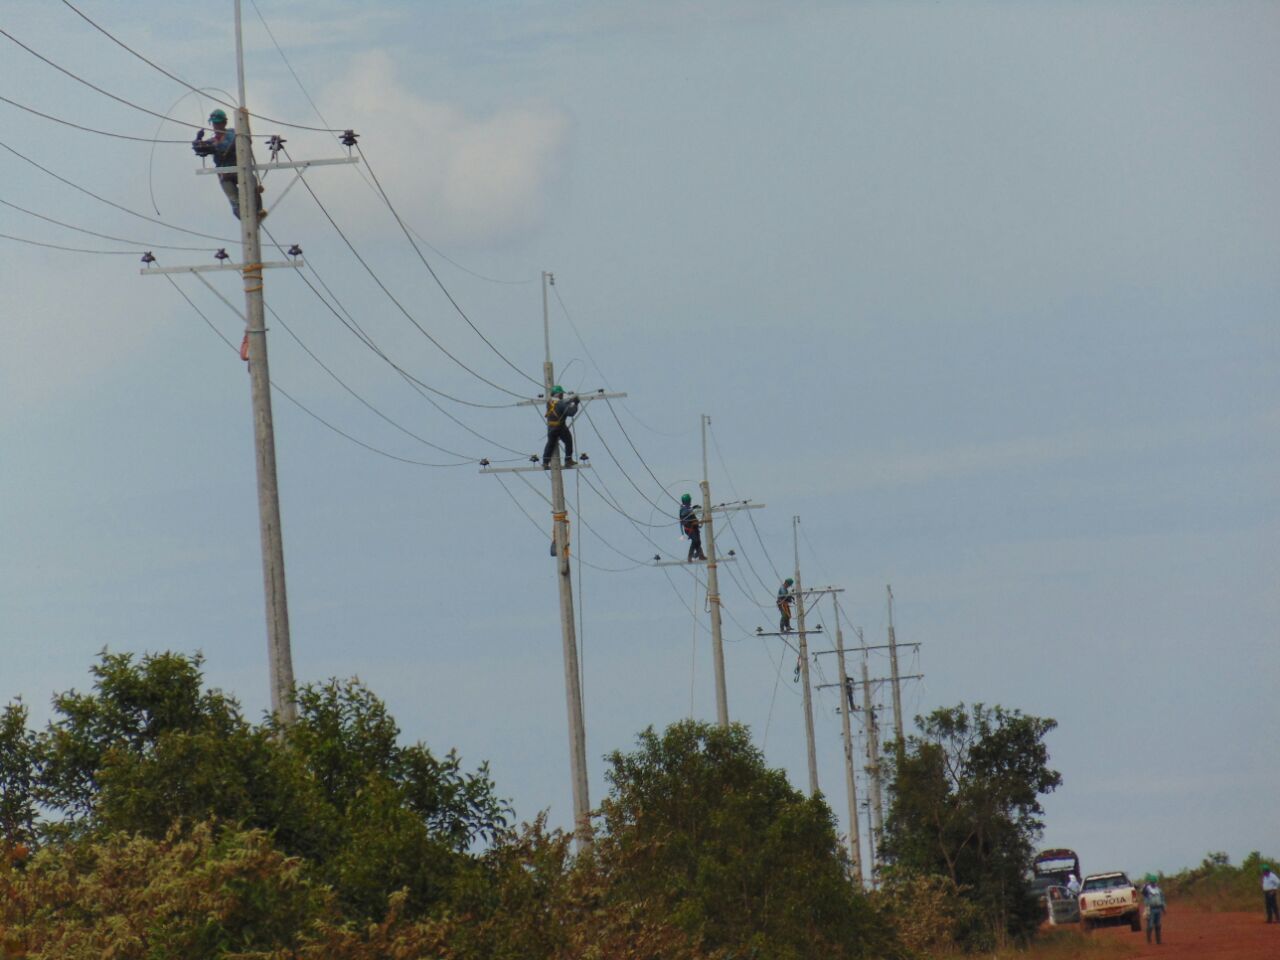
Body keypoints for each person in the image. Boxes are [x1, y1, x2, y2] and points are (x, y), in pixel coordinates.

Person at [204, 108, 265, 221]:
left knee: (252, 185)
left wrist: (216, 146)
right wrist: (200, 143)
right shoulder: (212, 141)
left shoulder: (232, 134)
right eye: (214, 124)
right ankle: (246, 220)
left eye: (218, 123)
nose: (215, 126)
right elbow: (204, 147)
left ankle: (258, 212)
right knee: (235, 202)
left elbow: (231, 144)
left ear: (224, 123)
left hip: (239, 170)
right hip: (225, 175)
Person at [541, 385, 579, 469]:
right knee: (568, 441)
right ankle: (568, 460)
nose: (562, 396)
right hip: (560, 427)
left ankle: (545, 462)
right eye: (561, 394)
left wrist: (569, 402)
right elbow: (571, 412)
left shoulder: (549, 402)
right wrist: (575, 404)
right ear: (558, 394)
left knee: (550, 444)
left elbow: (561, 404)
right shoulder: (561, 403)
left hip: (551, 428)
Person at [679, 493, 705, 561]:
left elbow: (691, 512)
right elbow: (685, 513)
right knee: (695, 541)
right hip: (689, 529)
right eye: (689, 501)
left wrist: (694, 508)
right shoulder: (683, 509)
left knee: (698, 542)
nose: (690, 502)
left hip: (695, 528)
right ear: (687, 501)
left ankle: (700, 555)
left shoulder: (688, 508)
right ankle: (690, 556)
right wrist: (693, 508)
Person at [1142, 874, 1165, 944]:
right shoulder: (1147, 889)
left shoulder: (1158, 889)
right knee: (1150, 925)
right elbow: (1143, 891)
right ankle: (1149, 940)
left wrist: (1163, 908)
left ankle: (1158, 941)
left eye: (1154, 882)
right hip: (1150, 909)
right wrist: (1145, 885)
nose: (1153, 883)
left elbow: (1162, 899)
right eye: (1152, 882)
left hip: (1158, 908)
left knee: (1158, 925)